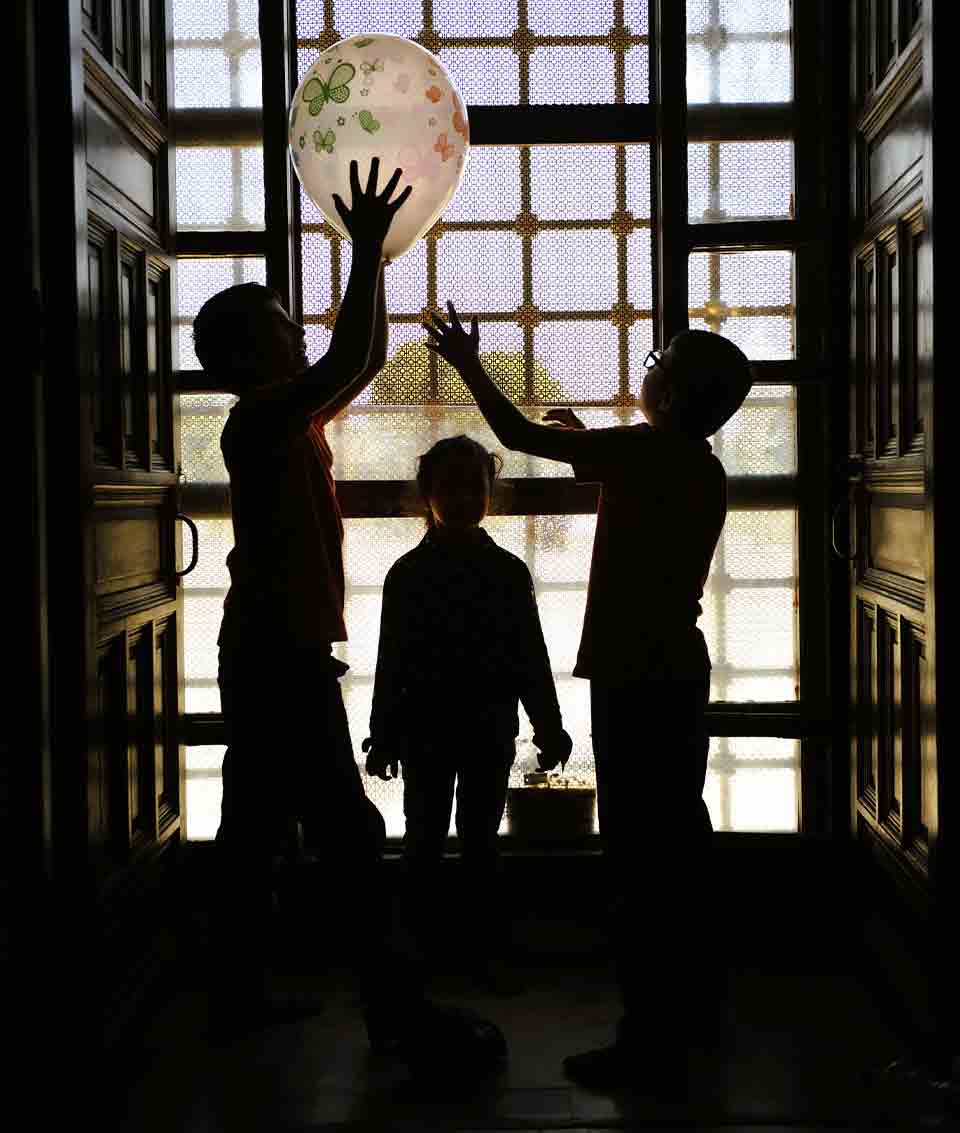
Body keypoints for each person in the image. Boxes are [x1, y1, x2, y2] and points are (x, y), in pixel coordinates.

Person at [422, 303, 752, 1092]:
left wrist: (468, 364)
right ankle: (696, 1009)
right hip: (675, 665)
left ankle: (646, 1040)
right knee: (677, 838)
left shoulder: (645, 451)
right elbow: (611, 468)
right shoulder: (695, 463)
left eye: (657, 360)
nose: (647, 366)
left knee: (636, 858)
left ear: (668, 397)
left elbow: (522, 441)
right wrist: (585, 439)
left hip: (633, 674)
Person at [191, 157, 413, 1040]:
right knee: (343, 834)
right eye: (286, 329)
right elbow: (347, 354)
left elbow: (364, 355)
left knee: (255, 829)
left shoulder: (292, 418)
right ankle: (391, 1008)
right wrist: (360, 251)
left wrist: (377, 262)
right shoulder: (259, 419)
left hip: (274, 651)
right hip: (279, 656)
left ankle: (239, 997)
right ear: (251, 355)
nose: (299, 337)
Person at [363, 434, 573, 993]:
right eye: (452, 487)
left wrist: (384, 734)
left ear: (487, 493)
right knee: (458, 838)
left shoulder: (411, 573)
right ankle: (470, 952)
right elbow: (527, 656)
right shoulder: (500, 571)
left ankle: (427, 955)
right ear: (428, 493)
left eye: (471, 486)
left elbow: (529, 654)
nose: (462, 497)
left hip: (436, 727)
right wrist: (547, 726)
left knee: (439, 837)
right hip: (478, 724)